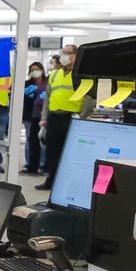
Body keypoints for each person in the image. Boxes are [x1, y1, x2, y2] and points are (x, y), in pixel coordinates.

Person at [36, 43, 94, 192]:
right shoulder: (55, 74)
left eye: (69, 53)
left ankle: (67, 182)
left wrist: (82, 117)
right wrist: (44, 117)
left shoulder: (82, 75)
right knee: (52, 151)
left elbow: (89, 98)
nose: (65, 56)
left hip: (72, 118)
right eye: (64, 52)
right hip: (54, 117)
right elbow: (47, 97)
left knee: (69, 152)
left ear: (76, 56)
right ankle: (51, 180)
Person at [20, 61, 48, 175]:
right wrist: (27, 95)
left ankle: (43, 165)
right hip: (30, 116)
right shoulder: (27, 84)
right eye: (32, 70)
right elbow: (22, 99)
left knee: (43, 142)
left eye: (36, 69)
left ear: (42, 70)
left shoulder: (47, 83)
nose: (34, 72)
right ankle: (31, 164)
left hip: (43, 116)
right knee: (31, 141)